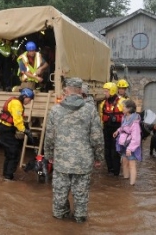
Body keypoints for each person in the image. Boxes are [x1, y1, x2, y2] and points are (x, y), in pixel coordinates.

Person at [44, 77, 104, 223]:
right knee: (81, 194)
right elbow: (97, 137)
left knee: (59, 192)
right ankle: (79, 218)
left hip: (61, 160)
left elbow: (49, 136)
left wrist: (49, 154)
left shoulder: (55, 110)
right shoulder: (90, 110)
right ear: (80, 90)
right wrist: (99, 157)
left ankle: (60, 217)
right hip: (83, 161)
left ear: (66, 90)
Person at [0, 88, 35, 181]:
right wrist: (25, 131)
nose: (29, 102)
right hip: (6, 130)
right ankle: (8, 177)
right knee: (14, 153)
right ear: (25, 96)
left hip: (5, 129)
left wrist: (25, 127)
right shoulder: (17, 104)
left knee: (9, 153)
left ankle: (6, 174)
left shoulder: (16, 102)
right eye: (29, 100)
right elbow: (17, 121)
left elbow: (18, 119)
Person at [113, 100, 142, 185]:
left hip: (131, 145)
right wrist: (117, 131)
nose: (122, 108)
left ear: (129, 109)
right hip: (124, 143)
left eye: (124, 107)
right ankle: (125, 181)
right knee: (124, 162)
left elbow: (136, 138)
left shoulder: (135, 122)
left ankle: (131, 185)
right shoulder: (125, 117)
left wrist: (130, 148)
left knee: (132, 164)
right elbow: (123, 127)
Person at [99, 82, 125, 176]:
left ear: (112, 91)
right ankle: (110, 169)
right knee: (107, 150)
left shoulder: (122, 102)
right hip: (106, 129)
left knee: (115, 151)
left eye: (106, 91)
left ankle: (116, 171)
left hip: (117, 129)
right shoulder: (103, 104)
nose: (104, 93)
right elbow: (101, 117)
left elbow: (127, 118)